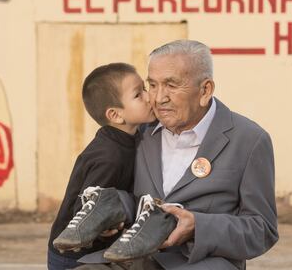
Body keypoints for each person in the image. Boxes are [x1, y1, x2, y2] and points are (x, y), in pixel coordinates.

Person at [77, 40, 278, 269]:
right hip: (133, 259)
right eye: (152, 85)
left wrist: (198, 226)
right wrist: (113, 209)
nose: (159, 98)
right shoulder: (140, 130)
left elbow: (262, 230)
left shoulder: (249, 140)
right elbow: (130, 197)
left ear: (205, 90)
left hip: (201, 262)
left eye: (171, 85)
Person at [48, 63, 157, 270]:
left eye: (144, 88)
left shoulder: (131, 137)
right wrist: (103, 226)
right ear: (116, 115)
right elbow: (88, 208)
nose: (149, 96)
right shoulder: (109, 156)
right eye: (138, 95)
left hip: (96, 252)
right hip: (75, 257)